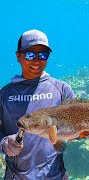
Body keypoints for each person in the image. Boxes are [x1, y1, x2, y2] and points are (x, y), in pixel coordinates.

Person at [0, 29, 76, 179]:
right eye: (30, 54)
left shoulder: (62, 89)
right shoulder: (4, 94)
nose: (37, 60)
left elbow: (77, 125)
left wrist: (83, 134)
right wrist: (4, 143)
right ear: (18, 56)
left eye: (43, 55)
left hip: (56, 176)